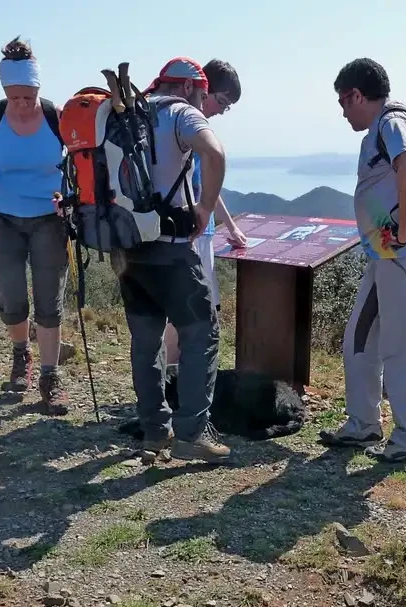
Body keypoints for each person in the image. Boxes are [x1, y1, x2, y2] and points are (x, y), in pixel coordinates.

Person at [319, 58, 406, 462]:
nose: (341, 111)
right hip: (388, 255)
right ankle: (362, 424)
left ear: (357, 95)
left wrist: (403, 232)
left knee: (400, 346)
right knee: (360, 337)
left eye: (343, 101)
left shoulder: (391, 123)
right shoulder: (384, 126)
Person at [117, 57, 231, 463]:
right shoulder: (180, 113)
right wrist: (203, 209)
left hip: (127, 247)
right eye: (202, 94)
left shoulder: (128, 112)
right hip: (169, 245)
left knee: (146, 341)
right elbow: (214, 154)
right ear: (188, 88)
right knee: (201, 333)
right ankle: (192, 433)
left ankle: (154, 430)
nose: (203, 102)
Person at [0, 36, 70, 416]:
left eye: (29, 97)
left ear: (39, 89)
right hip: (1, 216)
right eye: (16, 96)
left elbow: (75, 168)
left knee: (49, 298)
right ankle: (21, 355)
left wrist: (67, 197)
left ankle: (50, 376)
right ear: (5, 90)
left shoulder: (57, 117)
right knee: (10, 294)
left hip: (49, 217)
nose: (23, 104)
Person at [163, 58, 248, 366]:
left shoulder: (190, 126)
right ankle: (176, 375)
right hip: (190, 229)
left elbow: (207, 186)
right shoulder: (187, 126)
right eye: (221, 101)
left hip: (203, 228)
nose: (220, 110)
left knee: (200, 305)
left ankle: (182, 375)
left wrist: (230, 225)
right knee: (186, 308)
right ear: (203, 88)